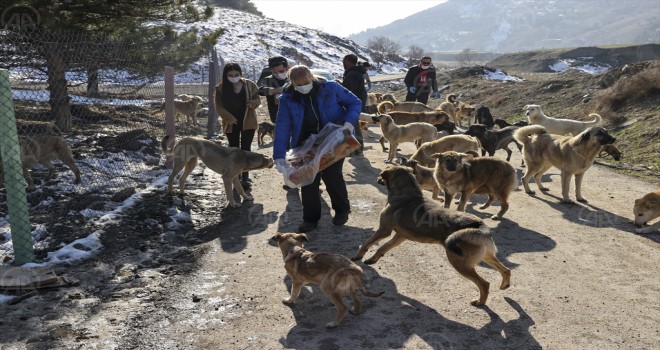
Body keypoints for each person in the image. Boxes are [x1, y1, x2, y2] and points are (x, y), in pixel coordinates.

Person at [273, 65, 361, 233]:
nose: (303, 86)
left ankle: (342, 210)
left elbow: (354, 102)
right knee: (308, 180)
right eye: (298, 84)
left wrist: (348, 122)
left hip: (333, 139)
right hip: (305, 143)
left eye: (306, 82)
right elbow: (282, 126)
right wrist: (278, 155)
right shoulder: (288, 98)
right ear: (292, 83)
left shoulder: (331, 88)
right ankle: (310, 219)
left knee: (332, 175)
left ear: (311, 78)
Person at [215, 62, 261, 189]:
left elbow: (257, 98)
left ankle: (246, 177)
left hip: (248, 121)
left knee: (246, 149)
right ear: (226, 75)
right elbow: (218, 106)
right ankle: (236, 176)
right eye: (231, 75)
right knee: (234, 150)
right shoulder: (220, 88)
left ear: (240, 74)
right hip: (231, 122)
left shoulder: (250, 85)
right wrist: (228, 118)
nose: (234, 77)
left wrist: (253, 103)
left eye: (236, 74)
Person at [341, 54, 367, 155]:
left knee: (354, 126)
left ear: (348, 61)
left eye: (344, 61)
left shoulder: (353, 74)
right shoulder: (355, 72)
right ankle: (356, 148)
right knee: (354, 125)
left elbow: (348, 90)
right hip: (355, 103)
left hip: (352, 104)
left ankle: (358, 149)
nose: (343, 63)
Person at [257, 56, 290, 123]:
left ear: (287, 67)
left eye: (281, 71)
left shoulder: (293, 78)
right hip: (277, 115)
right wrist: (274, 91)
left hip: (294, 113)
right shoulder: (269, 79)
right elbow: (259, 90)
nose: (278, 74)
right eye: (275, 72)